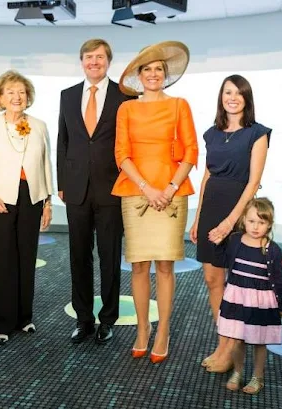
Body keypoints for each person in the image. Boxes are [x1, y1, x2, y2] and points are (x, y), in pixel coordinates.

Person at [113, 41, 198, 363]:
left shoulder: (179, 104)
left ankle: (163, 330)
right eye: (147, 69)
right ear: (139, 75)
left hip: (173, 193)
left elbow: (190, 150)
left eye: (158, 69)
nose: (153, 74)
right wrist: (148, 188)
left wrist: (170, 187)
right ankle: (142, 330)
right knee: (138, 265)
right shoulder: (127, 108)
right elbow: (121, 153)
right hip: (136, 192)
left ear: (166, 74)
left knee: (165, 265)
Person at [190, 74, 271, 372]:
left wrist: (229, 222)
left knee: (235, 284)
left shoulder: (257, 133)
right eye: (227, 92)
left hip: (237, 215)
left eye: (239, 93)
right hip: (211, 208)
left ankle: (232, 346)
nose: (232, 97)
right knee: (212, 280)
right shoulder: (211, 133)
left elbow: (253, 183)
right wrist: (198, 217)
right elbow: (208, 175)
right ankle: (224, 341)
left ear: (247, 99)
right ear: (221, 97)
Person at [57, 39, 132, 345]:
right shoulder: (68, 95)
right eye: (89, 57)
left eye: (99, 57)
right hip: (75, 189)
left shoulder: (125, 95)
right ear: (82, 61)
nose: (94, 62)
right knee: (78, 257)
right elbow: (64, 141)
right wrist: (61, 183)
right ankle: (84, 319)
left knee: (110, 257)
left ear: (108, 61)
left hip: (112, 188)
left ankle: (108, 319)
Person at [0, 70, 53, 344]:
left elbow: (46, 165)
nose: (16, 96)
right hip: (0, 197)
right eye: (10, 92)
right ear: (0, 97)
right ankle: (1, 323)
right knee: (1, 260)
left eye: (21, 92)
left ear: (28, 96)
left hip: (31, 196)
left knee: (26, 258)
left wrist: (47, 201)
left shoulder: (40, 125)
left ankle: (24, 318)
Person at [217, 198, 282, 394]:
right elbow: (226, 262)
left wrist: (281, 305)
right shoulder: (235, 241)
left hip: (260, 302)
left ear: (270, 225)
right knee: (237, 339)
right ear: (243, 220)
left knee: (258, 340)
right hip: (237, 299)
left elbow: (278, 279)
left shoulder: (272, 250)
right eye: (251, 221)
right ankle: (238, 372)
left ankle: (258, 377)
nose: (256, 227)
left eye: (262, 223)